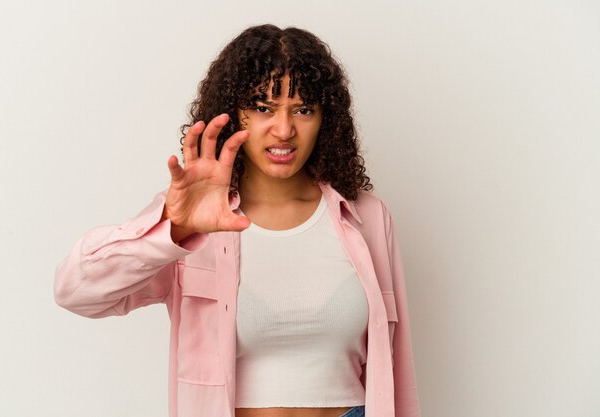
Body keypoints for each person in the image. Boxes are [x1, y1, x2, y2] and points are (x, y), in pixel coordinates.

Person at [54, 24, 420, 417]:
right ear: (234, 114)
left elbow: (397, 370)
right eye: (263, 108)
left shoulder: (366, 216)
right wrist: (173, 230)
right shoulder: (191, 220)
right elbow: (76, 292)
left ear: (325, 120)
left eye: (303, 109)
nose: (284, 130)